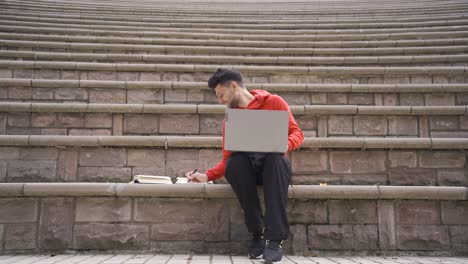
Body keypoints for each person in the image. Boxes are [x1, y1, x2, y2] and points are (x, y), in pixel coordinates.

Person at [186, 68, 304, 263]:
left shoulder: (274, 102)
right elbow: (227, 160)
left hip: (273, 167)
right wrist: (207, 176)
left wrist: (285, 144)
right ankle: (257, 232)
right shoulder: (231, 118)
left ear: (234, 86)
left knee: (277, 160)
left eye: (221, 95)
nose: (220, 100)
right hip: (247, 170)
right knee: (235, 163)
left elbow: (297, 133)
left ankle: (275, 240)